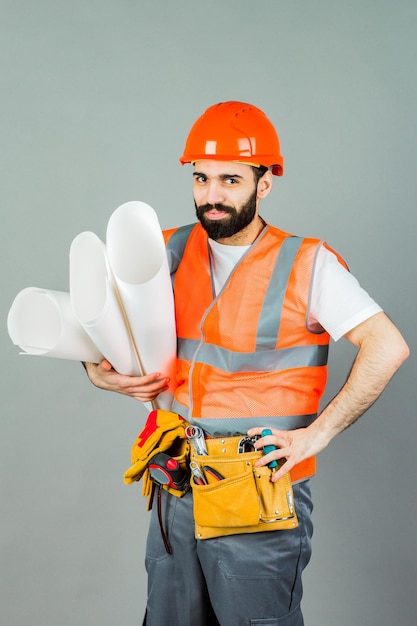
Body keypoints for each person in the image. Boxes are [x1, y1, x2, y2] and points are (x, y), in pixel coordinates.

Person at [84, 101, 409, 625]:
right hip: (178, 479)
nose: (211, 196)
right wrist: (98, 373)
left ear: (265, 183)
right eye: (201, 178)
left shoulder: (307, 263)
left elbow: (387, 346)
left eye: (230, 180)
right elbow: (99, 335)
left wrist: (315, 437)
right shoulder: (163, 250)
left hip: (258, 486)